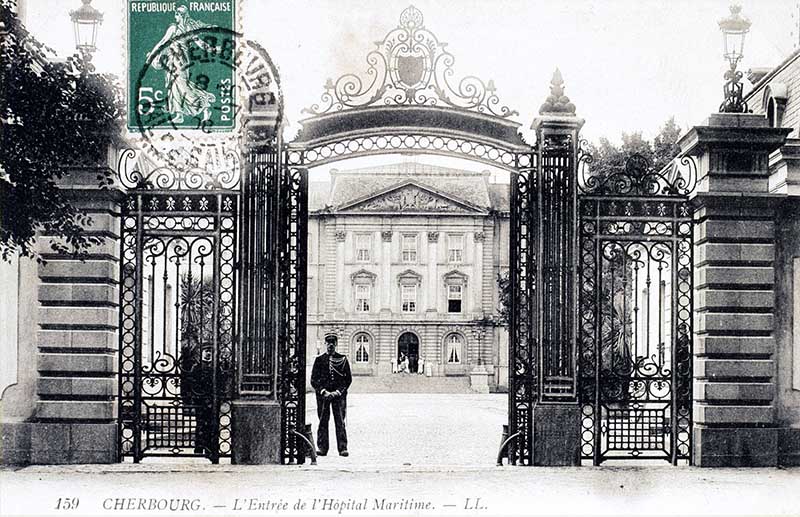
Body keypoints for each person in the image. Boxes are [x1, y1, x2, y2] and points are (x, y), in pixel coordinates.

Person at [145, 5, 217, 124]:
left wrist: (212, 50)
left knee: (183, 87)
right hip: (172, 60)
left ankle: (204, 104)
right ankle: (179, 115)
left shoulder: (186, 28)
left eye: (177, 14)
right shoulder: (174, 28)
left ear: (181, 15)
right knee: (174, 87)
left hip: (181, 62)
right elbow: (162, 43)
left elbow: (200, 44)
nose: (175, 16)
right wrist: (153, 54)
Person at [310, 335, 352, 457]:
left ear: (336, 344)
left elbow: (347, 379)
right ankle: (322, 448)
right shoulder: (319, 360)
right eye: (328, 343)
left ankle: (342, 448)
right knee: (323, 421)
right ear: (325, 344)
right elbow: (314, 380)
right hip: (323, 396)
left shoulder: (342, 359)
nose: (330, 345)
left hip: (338, 396)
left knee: (340, 421)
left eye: (333, 343)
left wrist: (338, 392)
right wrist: (323, 391)